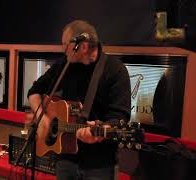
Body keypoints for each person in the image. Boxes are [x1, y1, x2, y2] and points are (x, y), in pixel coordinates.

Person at [27, 20, 131, 180]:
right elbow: (34, 91)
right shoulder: (65, 65)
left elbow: (119, 119)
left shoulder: (115, 70)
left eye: (65, 44)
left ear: (82, 47)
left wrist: (98, 134)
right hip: (65, 159)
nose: (63, 49)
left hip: (100, 165)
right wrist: (42, 119)